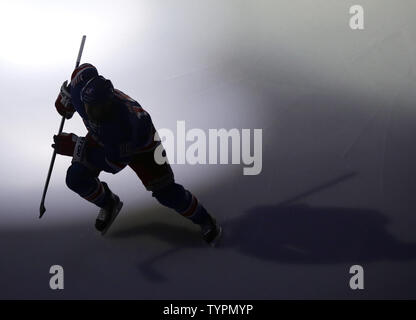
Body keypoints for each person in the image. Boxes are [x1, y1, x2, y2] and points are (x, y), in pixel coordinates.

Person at [53, 63, 222, 246]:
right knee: (75, 178)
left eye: (101, 109)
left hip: (143, 149)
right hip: (106, 141)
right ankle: (108, 202)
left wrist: (78, 146)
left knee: (166, 192)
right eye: (90, 108)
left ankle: (205, 219)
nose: (93, 114)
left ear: (110, 103)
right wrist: (65, 98)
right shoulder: (82, 91)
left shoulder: (123, 126)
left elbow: (114, 164)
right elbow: (85, 69)